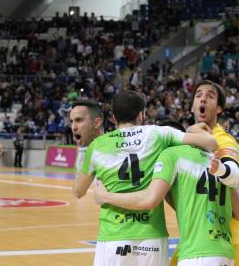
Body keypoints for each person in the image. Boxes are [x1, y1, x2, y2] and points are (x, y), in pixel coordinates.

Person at [74, 90, 217, 266]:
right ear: (141, 115)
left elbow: (78, 191)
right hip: (152, 237)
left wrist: (84, 155)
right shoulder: (158, 134)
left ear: (113, 117)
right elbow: (211, 143)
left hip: (114, 236)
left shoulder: (97, 146)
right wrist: (193, 129)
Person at [94, 121, 239, 265]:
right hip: (226, 251)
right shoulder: (218, 165)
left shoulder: (172, 154)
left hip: (196, 252)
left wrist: (106, 196)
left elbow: (149, 199)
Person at [170, 80, 239, 266]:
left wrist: (221, 169)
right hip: (194, 237)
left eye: (210, 96)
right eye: (198, 95)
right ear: (192, 107)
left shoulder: (223, 139)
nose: (203, 99)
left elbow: (233, 174)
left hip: (224, 237)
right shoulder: (184, 142)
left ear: (219, 109)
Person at [69, 99, 104, 173]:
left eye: (79, 120)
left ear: (97, 123)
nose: (73, 127)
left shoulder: (113, 153)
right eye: (71, 121)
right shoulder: (83, 152)